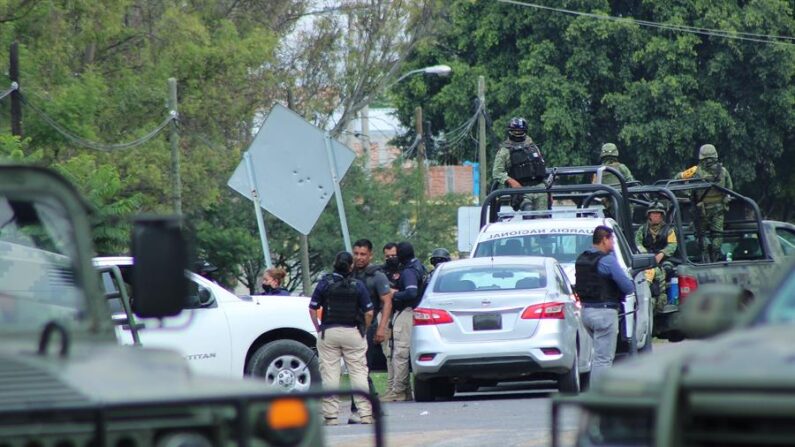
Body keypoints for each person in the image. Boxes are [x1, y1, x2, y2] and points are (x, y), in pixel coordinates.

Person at [308, 252, 374, 425]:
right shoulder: (357, 285)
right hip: (353, 332)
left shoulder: (325, 283)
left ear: (334, 264)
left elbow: (313, 308)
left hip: (329, 332)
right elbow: (369, 312)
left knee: (330, 375)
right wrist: (364, 329)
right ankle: (365, 414)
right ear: (351, 266)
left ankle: (331, 416)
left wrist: (318, 327)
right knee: (359, 372)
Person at [574, 226, 635, 383]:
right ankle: (599, 396)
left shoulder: (582, 259)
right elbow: (628, 287)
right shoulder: (607, 260)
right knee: (604, 359)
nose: (613, 244)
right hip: (604, 313)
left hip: (586, 313)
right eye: (612, 240)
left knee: (598, 356)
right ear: (604, 239)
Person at [349, 239, 393, 423]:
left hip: (369, 325)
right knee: (359, 369)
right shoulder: (349, 273)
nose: (359, 257)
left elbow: (387, 302)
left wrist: (382, 328)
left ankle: (358, 409)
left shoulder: (377, 276)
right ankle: (372, 405)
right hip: (350, 325)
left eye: (363, 254)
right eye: (356, 253)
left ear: (370, 255)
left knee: (359, 367)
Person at [381, 241, 426, 402]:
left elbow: (411, 292)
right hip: (410, 312)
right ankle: (405, 391)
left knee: (400, 352)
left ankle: (398, 391)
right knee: (396, 351)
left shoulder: (408, 271)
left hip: (407, 312)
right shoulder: (418, 266)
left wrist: (394, 294)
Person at [674, 144, 733, 261]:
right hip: (715, 210)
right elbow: (729, 189)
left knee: (703, 236)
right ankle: (713, 257)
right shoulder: (723, 171)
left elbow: (677, 179)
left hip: (702, 210)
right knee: (716, 236)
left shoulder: (694, 171)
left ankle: (706, 257)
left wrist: (687, 193)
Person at [491, 117, 547, 211]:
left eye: (520, 130)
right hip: (521, 189)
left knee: (543, 219)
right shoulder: (505, 150)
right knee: (528, 211)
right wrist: (511, 182)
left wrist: (548, 190)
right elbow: (497, 172)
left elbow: (540, 167)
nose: (518, 132)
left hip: (540, 188)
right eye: (515, 130)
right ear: (510, 131)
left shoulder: (532, 146)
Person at [634, 202, 678, 313]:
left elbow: (673, 245)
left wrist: (662, 253)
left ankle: (663, 298)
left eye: (658, 214)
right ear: (649, 215)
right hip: (646, 260)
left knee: (668, 268)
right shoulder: (642, 229)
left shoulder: (669, 230)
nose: (656, 216)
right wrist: (646, 255)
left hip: (663, 259)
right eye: (653, 214)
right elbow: (637, 243)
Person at [594, 143, 635, 218]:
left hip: (607, 203)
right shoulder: (621, 167)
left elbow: (595, 187)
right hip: (623, 202)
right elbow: (632, 182)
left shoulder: (598, 170)